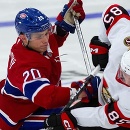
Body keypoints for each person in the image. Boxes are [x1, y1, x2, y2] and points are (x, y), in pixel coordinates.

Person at [0, 0, 85, 129]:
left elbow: (53, 38)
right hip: (18, 118)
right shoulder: (24, 66)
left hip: (34, 105)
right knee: (74, 118)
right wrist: (77, 93)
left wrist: (65, 24)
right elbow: (46, 96)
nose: (46, 40)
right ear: (23, 38)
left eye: (46, 33)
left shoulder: (34, 39)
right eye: (40, 36)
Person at [44, 4, 130, 130]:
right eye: (123, 74)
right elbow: (112, 11)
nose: (124, 80)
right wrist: (102, 42)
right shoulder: (123, 41)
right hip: (104, 96)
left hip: (117, 122)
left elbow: (102, 117)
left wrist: (71, 118)